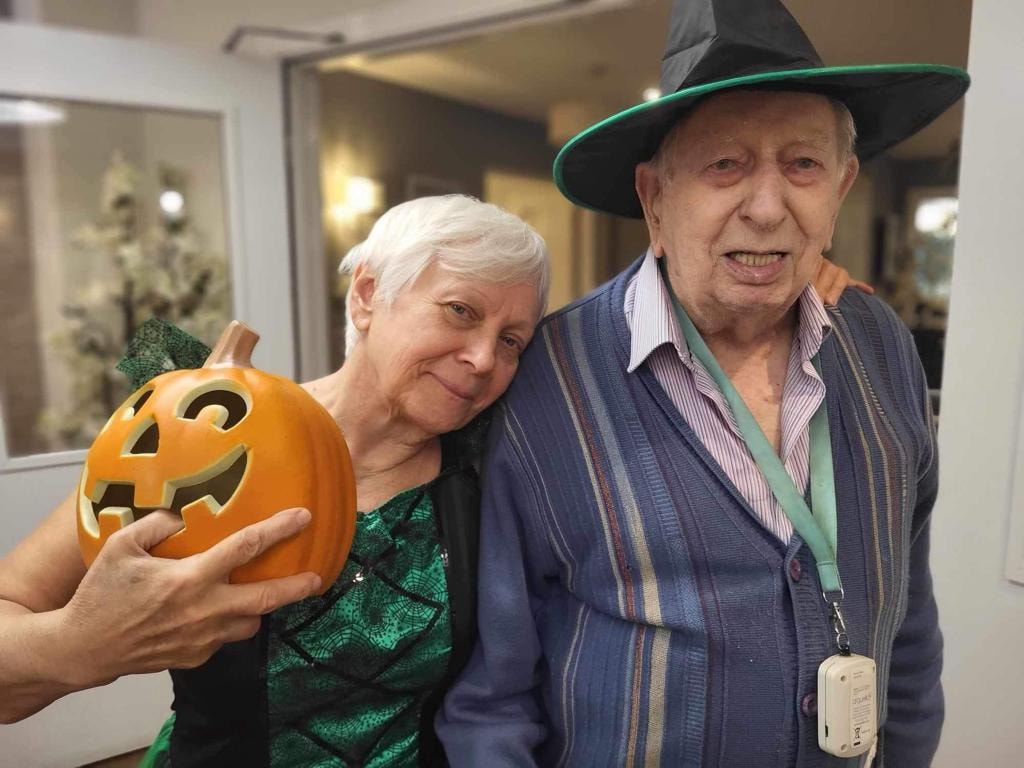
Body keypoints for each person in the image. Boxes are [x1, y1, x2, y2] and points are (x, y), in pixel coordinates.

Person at [0, 191, 862, 766]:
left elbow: (624, 355)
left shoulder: (497, 463)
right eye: (458, 311)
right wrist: (78, 645)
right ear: (368, 295)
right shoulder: (203, 440)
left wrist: (780, 288)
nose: (483, 358)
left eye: (512, 340)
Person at [437, 2, 968, 767]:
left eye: (803, 165)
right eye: (726, 165)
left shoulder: (881, 346)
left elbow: (908, 626)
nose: (767, 207)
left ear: (842, 186)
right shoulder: (549, 377)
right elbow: (493, 696)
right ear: (655, 198)